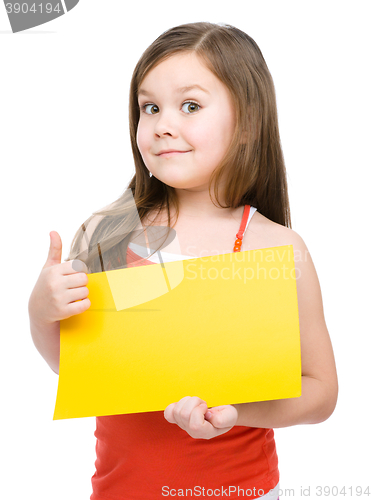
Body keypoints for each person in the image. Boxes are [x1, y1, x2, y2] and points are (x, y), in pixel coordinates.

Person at [28, 22, 338, 500]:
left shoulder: (274, 248)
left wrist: (236, 410)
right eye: (149, 107)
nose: (162, 124)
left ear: (247, 124)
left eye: (189, 106)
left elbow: (320, 392)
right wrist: (42, 313)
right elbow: (76, 369)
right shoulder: (109, 234)